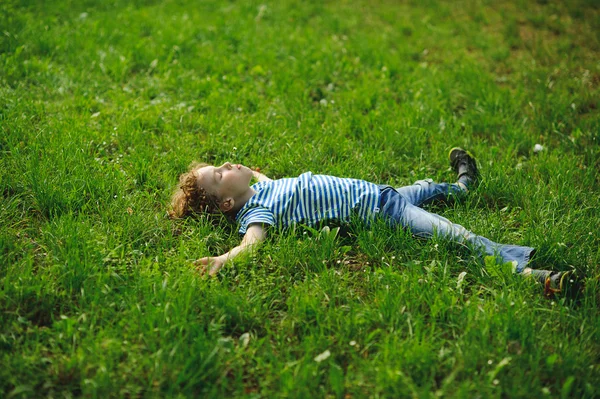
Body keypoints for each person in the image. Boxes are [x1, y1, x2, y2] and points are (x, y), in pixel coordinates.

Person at [170, 148, 581, 298]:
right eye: (219, 173)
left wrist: (247, 174)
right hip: (384, 212)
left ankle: (463, 186)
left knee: (424, 186)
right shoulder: (256, 213)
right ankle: (529, 274)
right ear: (226, 203)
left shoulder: (263, 188)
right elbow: (253, 242)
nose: (227, 164)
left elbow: (256, 175)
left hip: (382, 192)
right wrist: (227, 257)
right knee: (458, 236)